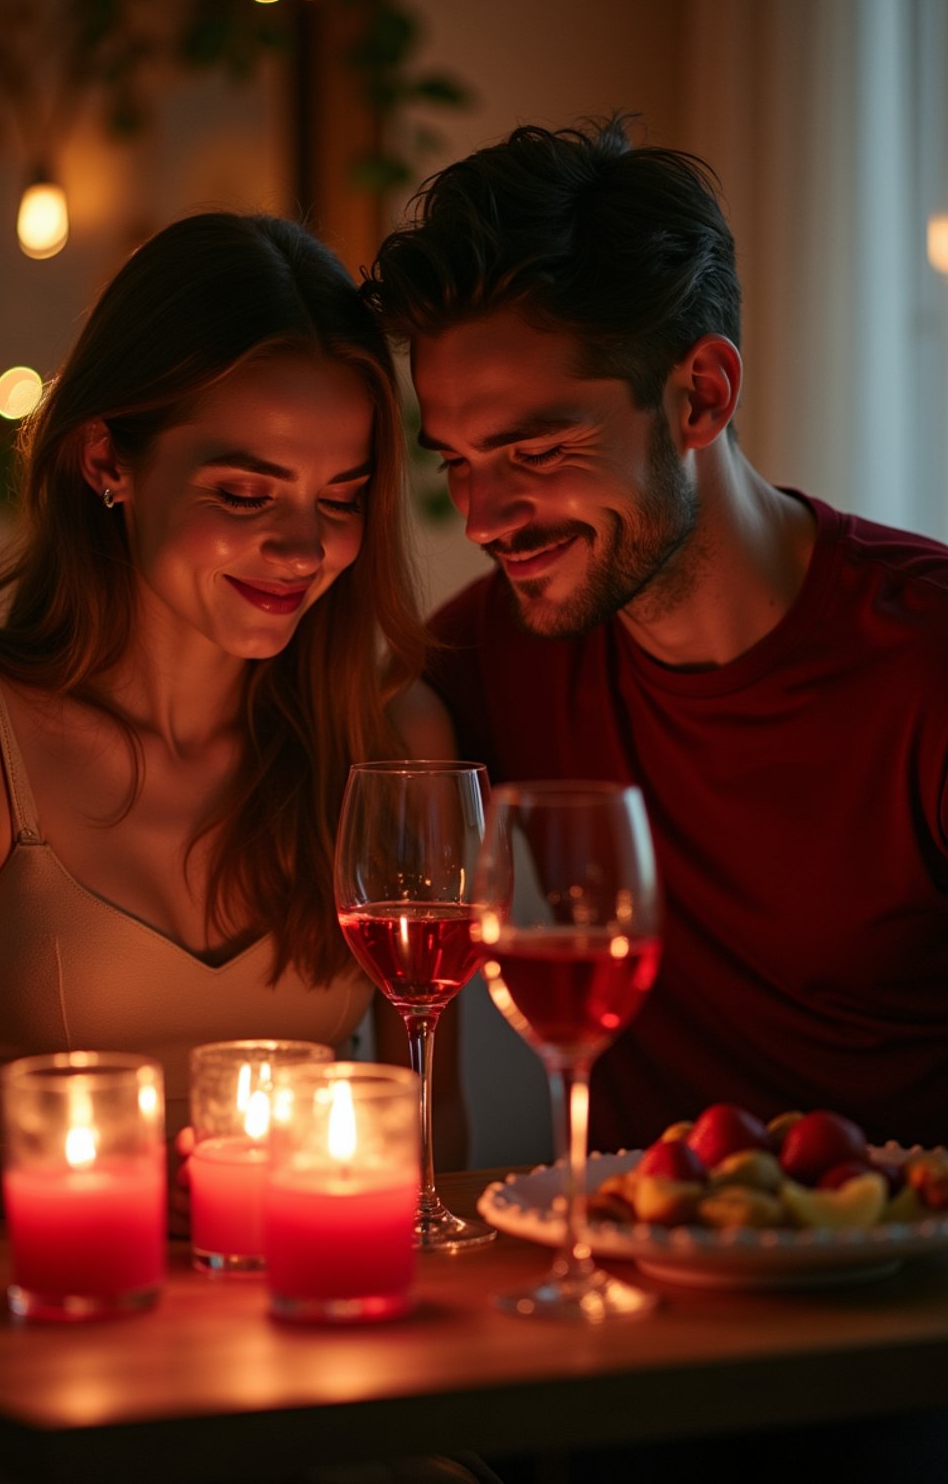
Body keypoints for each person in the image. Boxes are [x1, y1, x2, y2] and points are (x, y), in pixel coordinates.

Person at [362, 114, 948, 1153]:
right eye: (454, 459)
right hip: (638, 1283)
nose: (483, 516)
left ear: (699, 396)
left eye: (534, 447)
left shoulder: (924, 662)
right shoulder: (494, 653)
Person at [0, 209, 465, 1226]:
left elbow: (437, 1144)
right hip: (27, 1335)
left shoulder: (391, 745)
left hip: (312, 1329)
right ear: (106, 463)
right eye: (245, 493)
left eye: (340, 497)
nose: (303, 548)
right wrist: (150, 1198)